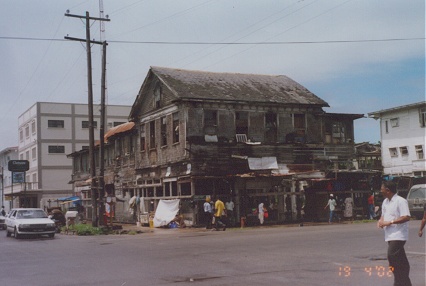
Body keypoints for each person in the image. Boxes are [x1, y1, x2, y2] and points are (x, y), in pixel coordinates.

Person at [377, 181, 412, 286]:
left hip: (399, 234)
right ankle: (405, 282)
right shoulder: (385, 202)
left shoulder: (400, 201)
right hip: (389, 235)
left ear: (388, 190)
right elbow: (383, 215)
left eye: (382, 188)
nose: (380, 190)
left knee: (392, 256)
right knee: (400, 258)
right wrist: (380, 221)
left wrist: (390, 222)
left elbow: (406, 217)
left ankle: (399, 280)